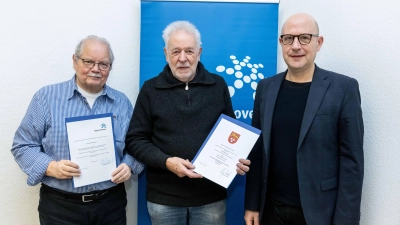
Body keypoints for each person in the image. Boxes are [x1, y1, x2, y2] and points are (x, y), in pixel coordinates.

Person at [125, 20, 250, 225]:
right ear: (166, 54)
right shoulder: (150, 89)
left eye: (189, 51)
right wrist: (166, 161)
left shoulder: (217, 85)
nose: (183, 58)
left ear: (199, 52)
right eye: (176, 52)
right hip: (164, 199)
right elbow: (135, 139)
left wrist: (236, 158)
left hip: (211, 198)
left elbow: (232, 134)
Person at [244, 13, 364, 225]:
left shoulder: (343, 88)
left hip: (320, 213)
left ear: (319, 43)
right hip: (271, 210)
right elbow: (257, 150)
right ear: (281, 43)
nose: (296, 46)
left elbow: (351, 163)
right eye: (289, 39)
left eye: (304, 38)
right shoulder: (266, 88)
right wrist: (252, 204)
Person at [11, 35, 143, 225]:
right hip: (60, 207)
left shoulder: (122, 103)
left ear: (110, 68)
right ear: (74, 61)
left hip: (110, 204)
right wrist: (51, 167)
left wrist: (129, 164)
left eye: (103, 64)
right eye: (89, 61)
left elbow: (137, 143)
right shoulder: (46, 98)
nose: (96, 69)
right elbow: (22, 145)